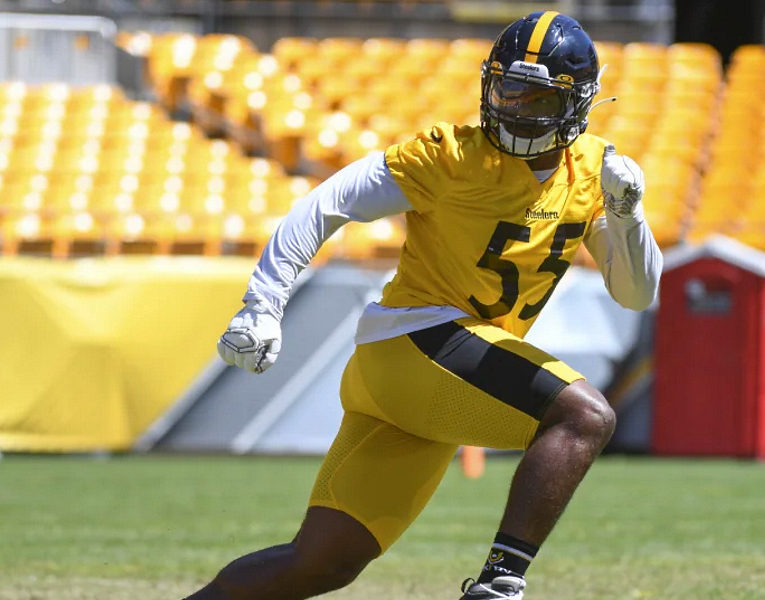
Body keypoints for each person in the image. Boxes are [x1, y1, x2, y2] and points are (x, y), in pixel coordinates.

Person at [185, 10, 662, 600]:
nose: (515, 109)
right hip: (415, 343)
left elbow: (636, 293)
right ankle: (499, 584)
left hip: (432, 382)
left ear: (578, 104)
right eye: (508, 90)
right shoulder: (449, 156)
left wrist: (627, 214)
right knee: (584, 416)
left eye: (537, 99)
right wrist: (263, 301)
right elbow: (325, 203)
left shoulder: (593, 172)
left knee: (319, 564)